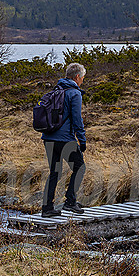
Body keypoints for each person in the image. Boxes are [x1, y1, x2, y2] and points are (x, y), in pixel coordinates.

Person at [41, 62, 87, 217]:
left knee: (54, 172)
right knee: (79, 167)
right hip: (65, 139)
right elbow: (77, 120)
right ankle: (70, 202)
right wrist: (82, 140)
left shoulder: (56, 89)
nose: (82, 81)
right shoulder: (75, 93)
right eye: (82, 78)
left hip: (48, 137)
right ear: (77, 77)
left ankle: (47, 208)